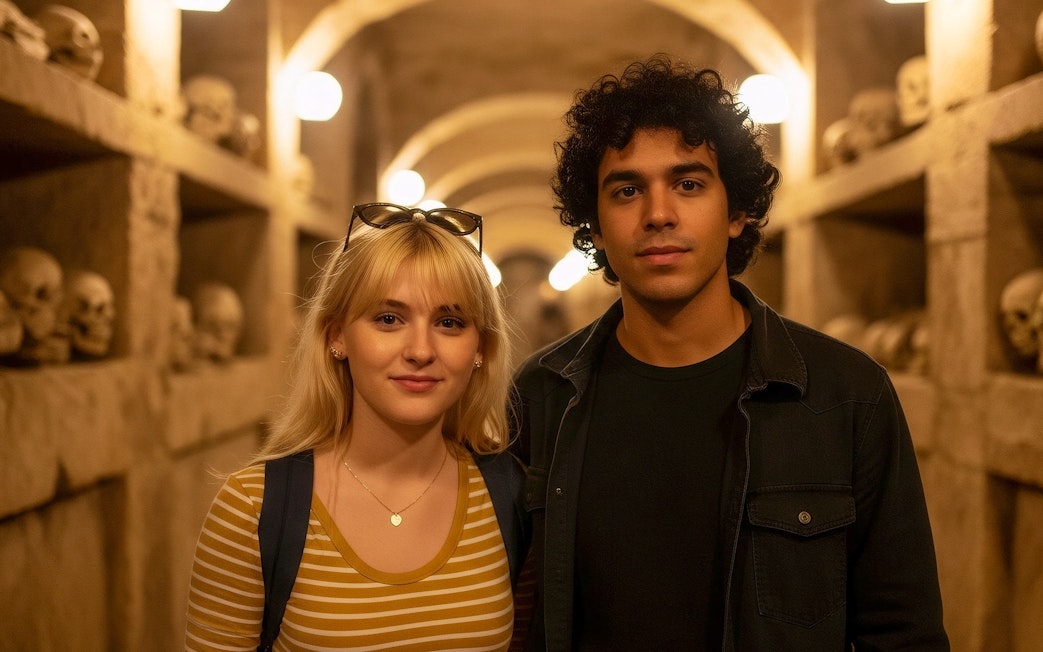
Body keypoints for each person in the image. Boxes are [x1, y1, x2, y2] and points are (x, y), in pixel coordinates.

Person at [511, 55, 949, 650]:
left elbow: (902, 631)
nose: (658, 214)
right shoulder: (543, 393)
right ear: (596, 221)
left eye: (688, 184)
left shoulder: (847, 394)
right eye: (627, 189)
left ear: (737, 210)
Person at [185, 203, 528, 650]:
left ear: (479, 347)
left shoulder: (510, 496)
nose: (420, 350)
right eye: (389, 319)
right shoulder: (253, 509)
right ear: (337, 336)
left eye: (450, 322)